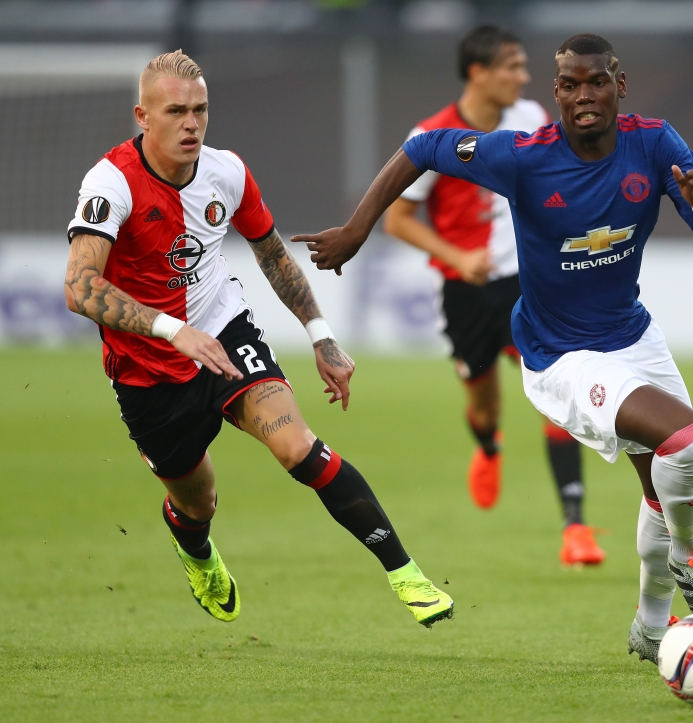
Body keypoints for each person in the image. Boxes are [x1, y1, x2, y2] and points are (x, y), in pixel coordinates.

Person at [294, 33, 693, 660]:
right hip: (560, 354)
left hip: (634, 337)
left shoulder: (656, 142)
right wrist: (355, 229)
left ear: (621, 85)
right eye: (570, 84)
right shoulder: (524, 157)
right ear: (555, 92)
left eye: (597, 82)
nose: (584, 95)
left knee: (659, 487)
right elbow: (422, 147)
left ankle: (649, 626)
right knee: (686, 442)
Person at [63, 50, 453, 628]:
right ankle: (195, 549)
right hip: (148, 370)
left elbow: (271, 254)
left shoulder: (226, 172)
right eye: (176, 111)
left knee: (298, 447)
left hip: (224, 332)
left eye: (200, 110)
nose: (192, 123)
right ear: (143, 116)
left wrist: (321, 336)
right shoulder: (111, 182)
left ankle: (407, 574)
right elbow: (78, 286)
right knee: (198, 502)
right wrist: (174, 331)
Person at [382, 26, 603, 566]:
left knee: (557, 395)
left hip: (529, 285)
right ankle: (487, 446)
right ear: (479, 72)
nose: (524, 78)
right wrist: (457, 257)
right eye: (513, 66)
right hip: (465, 291)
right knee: (484, 405)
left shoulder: (530, 118)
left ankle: (575, 527)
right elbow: (397, 218)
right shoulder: (431, 134)